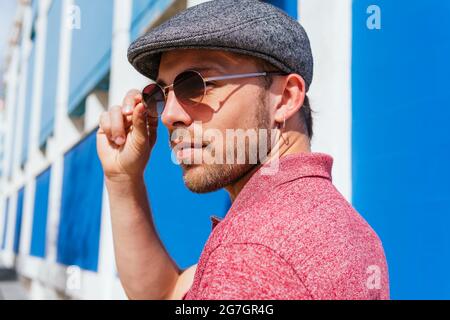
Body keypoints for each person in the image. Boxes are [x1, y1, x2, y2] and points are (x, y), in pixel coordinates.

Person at [96, 0, 389, 300]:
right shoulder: (343, 226)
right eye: (159, 93)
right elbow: (168, 293)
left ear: (286, 97)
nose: (169, 115)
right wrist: (123, 179)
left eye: (196, 84)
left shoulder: (251, 249)